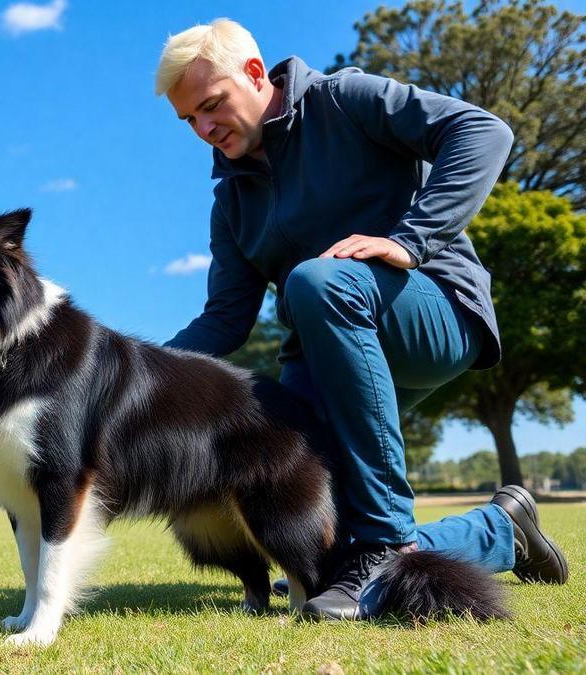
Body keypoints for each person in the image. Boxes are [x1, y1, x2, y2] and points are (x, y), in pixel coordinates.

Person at [153, 18, 568, 619]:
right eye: (189, 119)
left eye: (211, 105)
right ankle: (501, 531)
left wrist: (412, 239)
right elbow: (225, 319)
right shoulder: (233, 199)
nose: (204, 128)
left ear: (252, 73)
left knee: (317, 280)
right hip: (332, 357)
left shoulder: (344, 100)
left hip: (435, 313)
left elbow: (482, 131)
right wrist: (129, 373)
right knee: (312, 532)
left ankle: (382, 542)